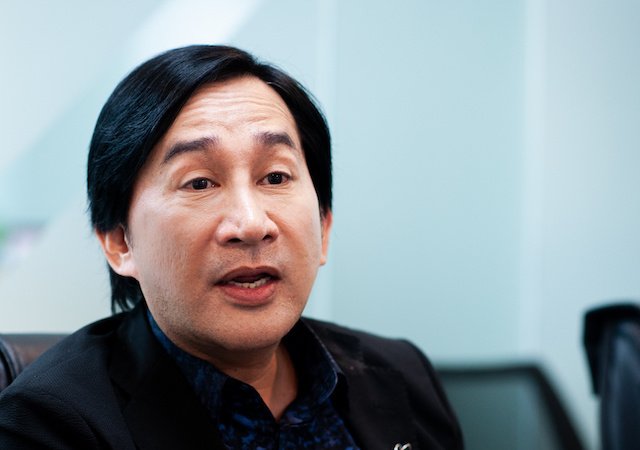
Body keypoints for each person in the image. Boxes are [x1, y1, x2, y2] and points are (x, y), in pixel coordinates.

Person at [0, 45, 463, 449]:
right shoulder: (50, 422)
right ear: (120, 241)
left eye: (275, 176)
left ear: (324, 225)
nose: (251, 224)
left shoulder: (402, 373)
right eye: (199, 182)